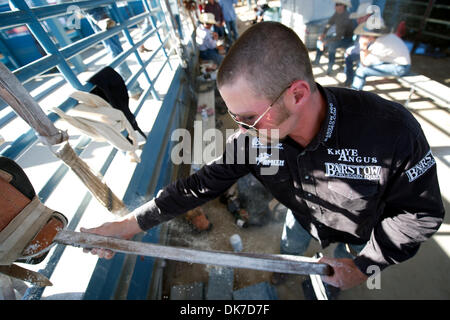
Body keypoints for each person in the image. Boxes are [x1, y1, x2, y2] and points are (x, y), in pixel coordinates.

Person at [81, 22, 444, 292]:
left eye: (249, 117)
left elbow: (421, 214)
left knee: (335, 278)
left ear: (297, 94)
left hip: (363, 233)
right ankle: (288, 272)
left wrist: (364, 266)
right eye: (234, 117)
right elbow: (198, 187)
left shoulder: (391, 131)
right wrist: (127, 225)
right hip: (303, 220)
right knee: (292, 249)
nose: (241, 129)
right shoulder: (254, 138)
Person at [85, 7, 144, 100]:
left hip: (95, 9)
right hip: (98, 8)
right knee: (116, 51)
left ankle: (134, 90)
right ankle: (134, 89)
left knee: (114, 50)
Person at [350, 19, 411, 90]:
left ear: (371, 35)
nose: (364, 36)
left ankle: (354, 92)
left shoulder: (381, 44)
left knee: (361, 70)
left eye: (365, 34)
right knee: (360, 65)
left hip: (401, 68)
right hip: (394, 62)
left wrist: (363, 46)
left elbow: (365, 63)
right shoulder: (385, 37)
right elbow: (369, 55)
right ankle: (356, 84)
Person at [312, 0, 355, 75]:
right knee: (320, 40)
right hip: (339, 36)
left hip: (347, 39)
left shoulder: (346, 17)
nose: (335, 6)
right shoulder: (337, 13)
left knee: (332, 46)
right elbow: (329, 23)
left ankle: (329, 68)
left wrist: (326, 42)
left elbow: (339, 37)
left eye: (337, 4)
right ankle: (317, 61)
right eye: (336, 4)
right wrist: (323, 34)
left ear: (343, 6)